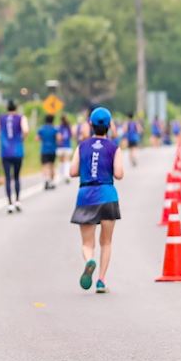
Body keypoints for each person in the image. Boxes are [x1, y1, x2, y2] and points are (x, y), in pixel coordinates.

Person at [70, 106, 124, 294]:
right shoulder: (114, 148)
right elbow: (119, 174)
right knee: (106, 242)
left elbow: (72, 172)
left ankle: (89, 260)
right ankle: (101, 281)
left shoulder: (82, 146)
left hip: (86, 196)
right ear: (109, 125)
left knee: (87, 243)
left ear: (90, 124)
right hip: (107, 195)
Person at [0, 100, 26, 214]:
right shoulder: (21, 117)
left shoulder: (1, 118)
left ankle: (9, 204)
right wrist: (22, 138)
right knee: (17, 176)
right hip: (18, 151)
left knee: (8, 178)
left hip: (5, 151)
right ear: (16, 107)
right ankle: (18, 200)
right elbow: (26, 130)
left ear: (6, 108)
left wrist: (3, 137)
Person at [37, 114, 59, 190]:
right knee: (52, 166)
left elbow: (37, 138)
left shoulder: (42, 129)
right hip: (52, 150)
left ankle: (46, 180)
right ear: (52, 120)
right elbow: (59, 138)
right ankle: (52, 182)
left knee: (45, 166)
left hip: (44, 150)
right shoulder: (54, 129)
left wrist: (43, 139)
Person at [56, 116, 74, 184]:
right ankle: (67, 175)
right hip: (67, 146)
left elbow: (59, 137)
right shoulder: (68, 127)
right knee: (67, 161)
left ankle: (60, 175)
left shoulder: (59, 127)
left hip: (60, 146)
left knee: (61, 161)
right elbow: (72, 135)